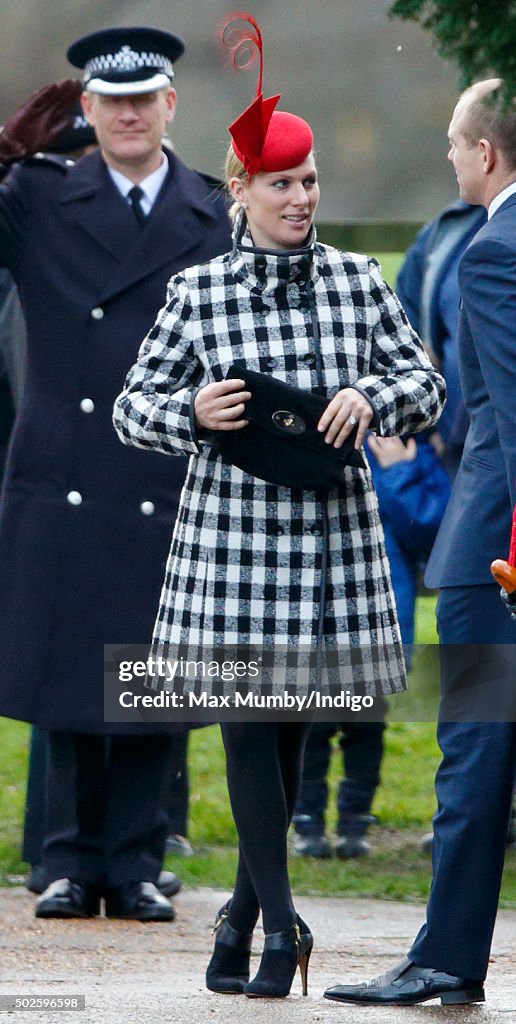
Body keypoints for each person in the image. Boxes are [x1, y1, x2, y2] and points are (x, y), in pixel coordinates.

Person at [113, 12, 445, 998]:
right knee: (249, 723)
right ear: (243, 191)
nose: (300, 197)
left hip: (331, 547)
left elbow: (426, 386)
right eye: (282, 184)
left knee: (290, 727)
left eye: (308, 182)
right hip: (230, 551)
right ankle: (279, 928)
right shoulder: (198, 294)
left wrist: (371, 398)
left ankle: (240, 911)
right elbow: (134, 410)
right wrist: (194, 410)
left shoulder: (355, 283)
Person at [0, 26, 231, 921]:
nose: (129, 114)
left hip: (163, 467)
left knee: (149, 670)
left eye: (145, 100)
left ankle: (134, 862)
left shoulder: (214, 212)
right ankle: (63, 861)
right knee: (63, 669)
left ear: (171, 106)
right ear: (87, 110)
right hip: (62, 464)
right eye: (111, 101)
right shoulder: (36, 194)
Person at [324, 78, 516, 1008]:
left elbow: (512, 421)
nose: (448, 157)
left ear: (485, 154)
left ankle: (444, 959)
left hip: (499, 557)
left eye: (453, 142)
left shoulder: (493, 252)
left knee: (473, 758)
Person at [291, 433, 450, 860]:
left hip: (377, 620)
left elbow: (429, 531)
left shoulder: (412, 452)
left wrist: (400, 471)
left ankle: (354, 821)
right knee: (313, 726)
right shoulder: (308, 442)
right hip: (314, 618)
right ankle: (306, 821)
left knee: (365, 725)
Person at [396, 201, 486, 479]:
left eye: (460, 151)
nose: (450, 156)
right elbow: (402, 341)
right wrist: (428, 431)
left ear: (487, 155)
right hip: (454, 455)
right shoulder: (450, 227)